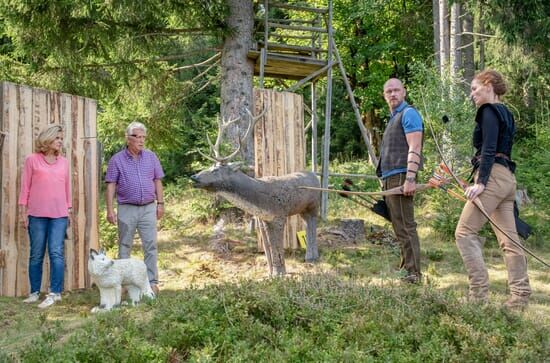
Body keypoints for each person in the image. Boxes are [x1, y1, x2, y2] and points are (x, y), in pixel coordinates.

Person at [455, 69, 531, 309]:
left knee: (464, 233)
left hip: (494, 177)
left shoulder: (487, 110)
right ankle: (520, 297)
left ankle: (478, 296)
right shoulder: (507, 113)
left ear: (488, 85)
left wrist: (481, 182)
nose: (472, 94)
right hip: (507, 179)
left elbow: (488, 149)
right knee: (510, 241)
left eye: (474, 88)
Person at [105, 121, 164, 294]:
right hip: (126, 207)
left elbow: (157, 181)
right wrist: (109, 210)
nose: (141, 140)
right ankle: (124, 284)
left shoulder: (151, 157)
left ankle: (152, 282)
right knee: (125, 245)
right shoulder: (117, 160)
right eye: (137, 137)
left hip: (148, 208)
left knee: (151, 245)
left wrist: (160, 203)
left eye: (143, 137)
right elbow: (111, 185)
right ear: (128, 138)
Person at [377, 78, 424, 283]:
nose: (393, 94)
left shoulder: (409, 114)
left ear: (404, 92)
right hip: (391, 178)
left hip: (401, 176)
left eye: (396, 90)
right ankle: (406, 269)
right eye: (389, 91)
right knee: (399, 227)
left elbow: (415, 147)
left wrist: (410, 178)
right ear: (385, 95)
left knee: (406, 227)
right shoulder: (393, 117)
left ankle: (413, 275)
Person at [19, 125, 71, 308]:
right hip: (36, 214)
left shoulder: (64, 162)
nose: (60, 141)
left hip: (59, 215)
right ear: (47, 140)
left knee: (56, 252)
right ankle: (34, 292)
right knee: (36, 254)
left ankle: (55, 293)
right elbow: (25, 187)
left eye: (60, 138)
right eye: (57, 138)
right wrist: (23, 211)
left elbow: (67, 188)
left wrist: (68, 209)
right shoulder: (31, 160)